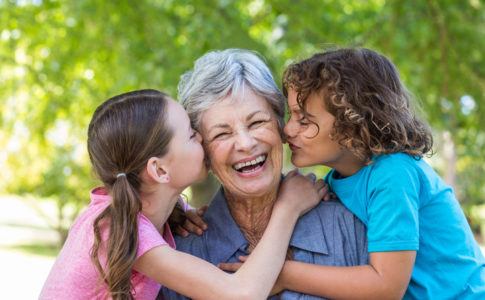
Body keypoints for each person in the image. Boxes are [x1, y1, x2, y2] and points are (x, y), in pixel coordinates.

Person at [39, 89, 327, 299]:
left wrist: (180, 214)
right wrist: (288, 208)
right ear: (160, 171)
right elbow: (241, 295)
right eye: (191, 134)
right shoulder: (120, 230)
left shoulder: (142, 213)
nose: (201, 138)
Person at [160, 49, 368, 300]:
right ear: (202, 152)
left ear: (281, 127)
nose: (246, 144)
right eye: (222, 134)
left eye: (257, 122)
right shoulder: (178, 252)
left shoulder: (349, 224)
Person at [280, 48, 485, 299]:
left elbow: (385, 288)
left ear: (351, 125)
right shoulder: (337, 179)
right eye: (291, 115)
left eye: (304, 120)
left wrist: (285, 274)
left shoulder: (393, 173)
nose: (287, 130)